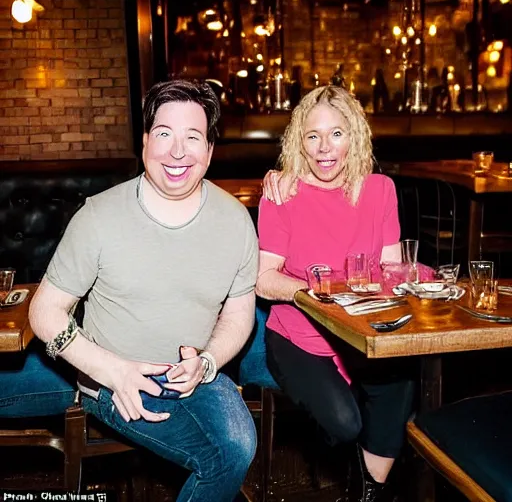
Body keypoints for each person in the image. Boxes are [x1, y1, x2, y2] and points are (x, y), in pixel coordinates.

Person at [28, 79, 259, 502]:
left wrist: (208, 362)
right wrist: (111, 371)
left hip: (197, 377)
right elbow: (44, 313)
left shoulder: (236, 221)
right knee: (222, 458)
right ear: (145, 141)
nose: (177, 151)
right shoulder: (98, 217)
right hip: (111, 381)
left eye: (193, 138)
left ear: (209, 151)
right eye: (165, 134)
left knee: (237, 449)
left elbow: (239, 313)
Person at [256, 85, 415, 502]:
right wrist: (314, 292)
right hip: (297, 334)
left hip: (363, 328)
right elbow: (264, 279)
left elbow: (390, 268)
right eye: (313, 136)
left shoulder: (380, 190)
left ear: (355, 136)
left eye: (337, 133)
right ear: (300, 143)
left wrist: (410, 281)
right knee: (347, 424)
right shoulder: (282, 192)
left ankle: (367, 494)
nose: (325, 147)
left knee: (401, 384)